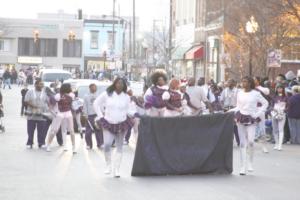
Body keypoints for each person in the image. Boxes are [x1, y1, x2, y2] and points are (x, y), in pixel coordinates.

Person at [93, 77, 136, 178]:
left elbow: (129, 110)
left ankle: (117, 169)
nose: (119, 85)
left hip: (122, 123)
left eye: (122, 83)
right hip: (108, 122)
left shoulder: (126, 97)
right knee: (107, 144)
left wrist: (136, 114)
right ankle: (108, 165)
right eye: (118, 83)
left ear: (124, 85)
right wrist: (100, 116)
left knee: (119, 147)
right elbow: (96, 104)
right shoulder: (107, 94)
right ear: (114, 84)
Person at [230, 76, 268, 175]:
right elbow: (238, 106)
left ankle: (250, 163)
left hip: (251, 118)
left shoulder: (256, 94)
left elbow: (265, 103)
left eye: (245, 82)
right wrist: (229, 111)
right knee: (242, 143)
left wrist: (257, 113)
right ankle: (243, 167)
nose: (243, 83)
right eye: (242, 81)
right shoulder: (239, 93)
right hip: (241, 118)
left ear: (250, 83)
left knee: (251, 141)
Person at [46, 83, 76, 153]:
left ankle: (73, 147)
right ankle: (48, 145)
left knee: (71, 131)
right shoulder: (58, 96)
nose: (71, 88)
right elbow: (51, 106)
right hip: (60, 113)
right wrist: (54, 114)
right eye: (70, 87)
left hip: (68, 113)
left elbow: (72, 105)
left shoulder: (72, 95)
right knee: (54, 130)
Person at [24, 79, 48, 149]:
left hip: (42, 114)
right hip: (31, 114)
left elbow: (47, 102)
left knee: (41, 130)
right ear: (36, 85)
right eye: (40, 84)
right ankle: (30, 143)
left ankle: (41, 143)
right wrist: (34, 106)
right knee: (30, 130)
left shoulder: (45, 93)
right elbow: (26, 101)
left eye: (42, 84)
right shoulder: (30, 92)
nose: (42, 85)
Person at [83, 83, 103, 149]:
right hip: (90, 115)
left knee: (99, 130)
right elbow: (85, 106)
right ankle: (88, 144)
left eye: (95, 87)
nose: (94, 88)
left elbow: (101, 105)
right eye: (93, 87)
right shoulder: (86, 96)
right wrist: (85, 114)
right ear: (90, 88)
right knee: (88, 131)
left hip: (97, 115)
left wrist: (102, 113)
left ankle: (100, 144)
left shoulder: (99, 95)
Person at [254, 76, 271, 153]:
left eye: (255, 79)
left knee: (262, 128)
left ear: (258, 81)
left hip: (260, 109)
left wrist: (257, 88)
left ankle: (264, 146)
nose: (253, 81)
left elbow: (267, 92)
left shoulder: (262, 88)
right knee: (250, 127)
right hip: (252, 110)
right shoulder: (250, 89)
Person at [271, 84, 288, 151]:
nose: (279, 89)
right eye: (278, 88)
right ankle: (276, 143)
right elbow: (271, 105)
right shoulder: (274, 96)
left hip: (282, 114)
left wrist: (284, 110)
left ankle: (280, 145)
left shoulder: (286, 97)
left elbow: (288, 106)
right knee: (275, 129)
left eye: (281, 88)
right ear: (276, 89)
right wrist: (273, 109)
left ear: (283, 89)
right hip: (274, 114)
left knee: (281, 129)